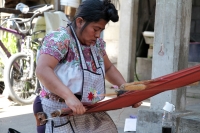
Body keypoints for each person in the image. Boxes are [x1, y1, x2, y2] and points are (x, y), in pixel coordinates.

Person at [33, 0, 142, 132]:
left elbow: (109, 68)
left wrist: (126, 90)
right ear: (80, 22)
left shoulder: (97, 45)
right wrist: (69, 97)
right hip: (56, 109)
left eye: (101, 30)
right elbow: (43, 70)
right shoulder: (59, 39)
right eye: (95, 29)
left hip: (85, 109)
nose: (97, 35)